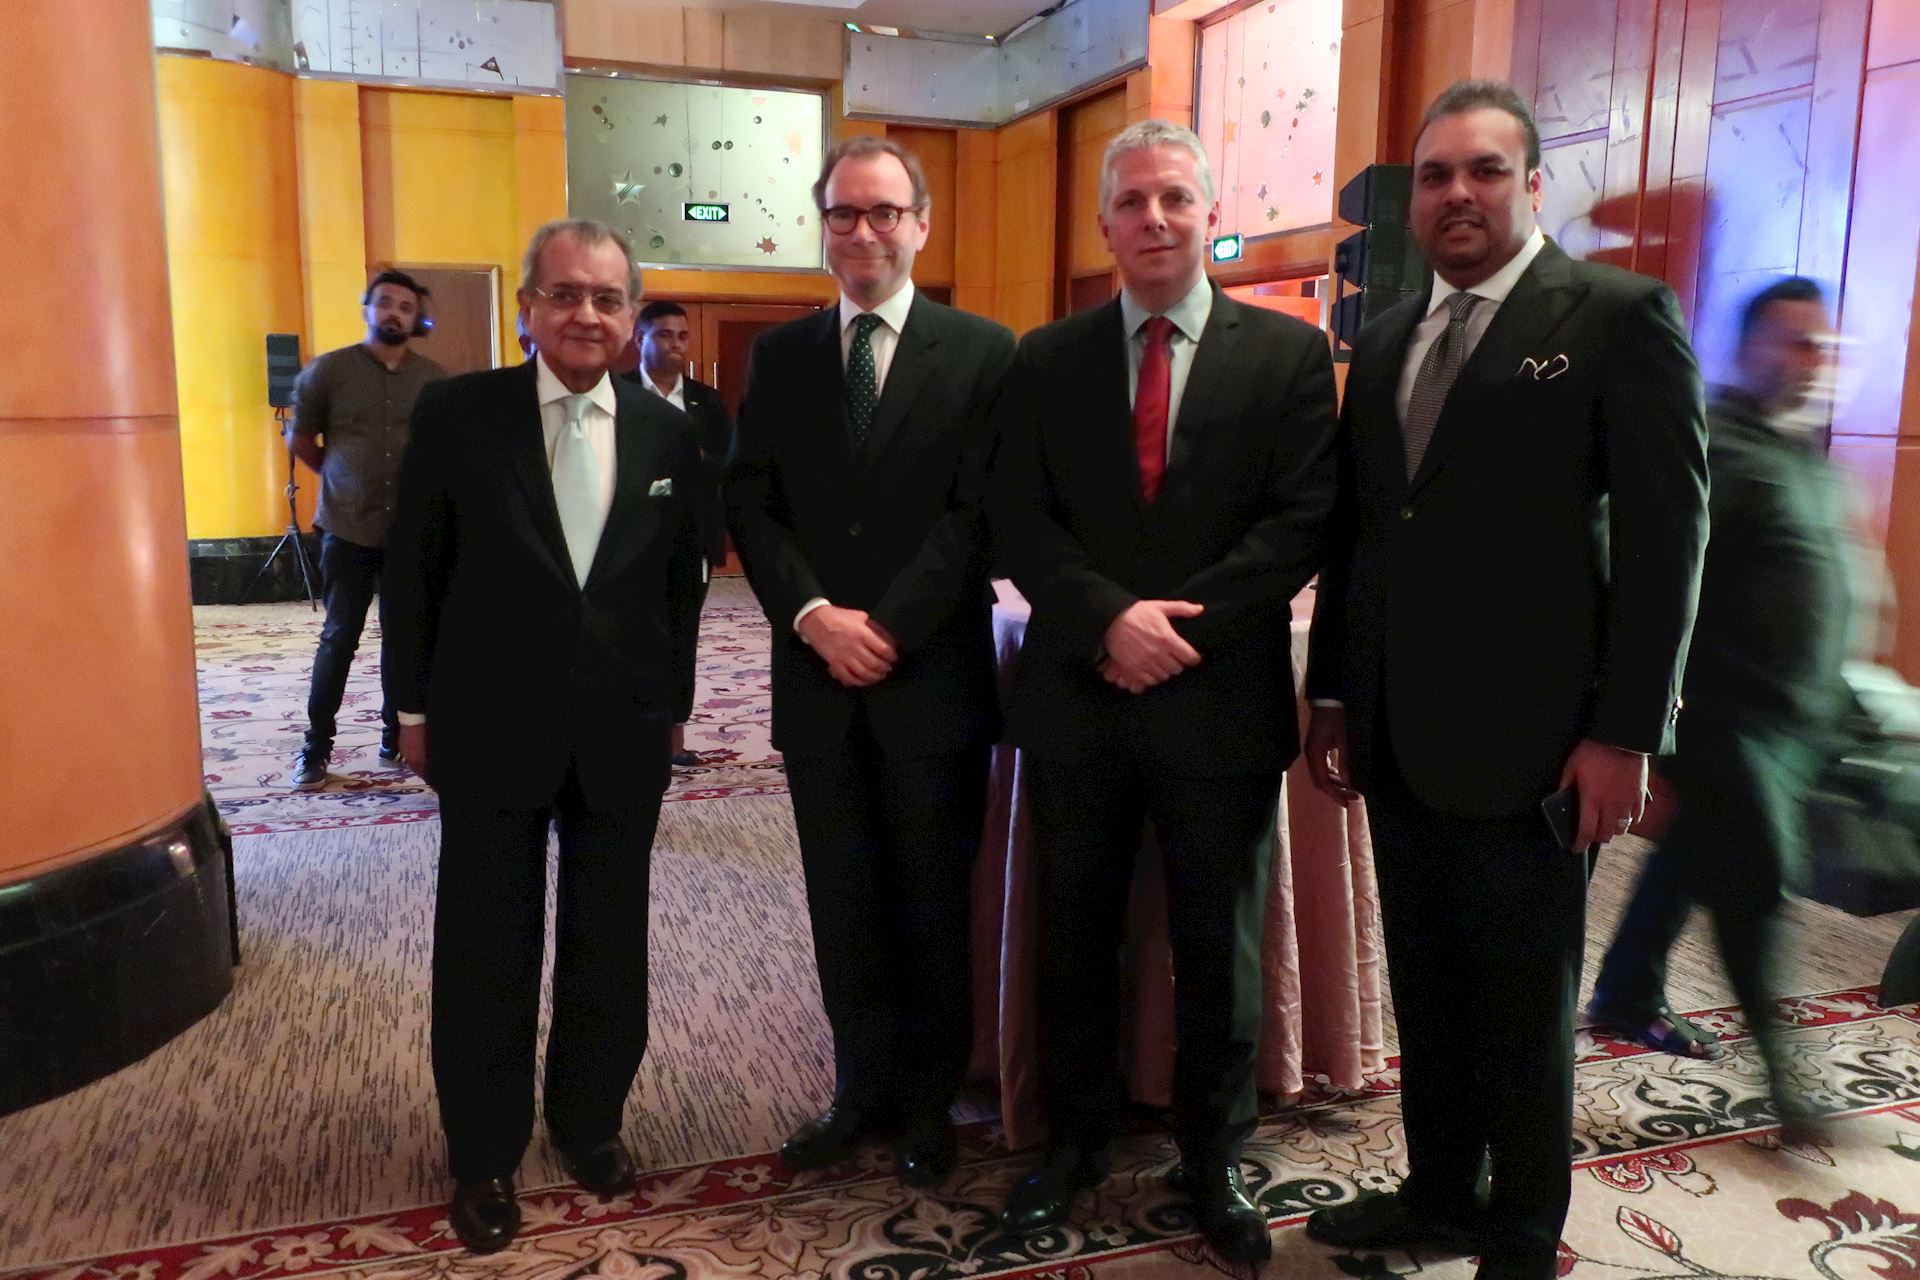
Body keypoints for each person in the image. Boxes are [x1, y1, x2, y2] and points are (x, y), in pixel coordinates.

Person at [1301, 80, 1708, 1280]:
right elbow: (1362, 537)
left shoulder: (1619, 315)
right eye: (1436, 176)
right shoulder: (1382, 342)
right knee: (1426, 986)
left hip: (1543, 738)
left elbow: (1667, 543)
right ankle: (1438, 1189)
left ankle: (1525, 1226)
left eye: (1485, 171)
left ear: (1534, 186)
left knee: (1524, 1000)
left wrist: (1628, 733)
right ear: (1414, 200)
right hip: (1395, 727)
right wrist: (1331, 694)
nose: (1458, 194)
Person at [989, 119, 1337, 1265]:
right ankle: (1073, 1141)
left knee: (1215, 941)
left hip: (1217, 698)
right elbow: (1019, 515)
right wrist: (1107, 621)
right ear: (1104, 223)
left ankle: (1212, 1149)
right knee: (1075, 930)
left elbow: (1299, 522)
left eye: (1175, 199)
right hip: (1083, 696)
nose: (1153, 218)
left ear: (1208, 216)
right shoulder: (1046, 358)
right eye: (1132, 201)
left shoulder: (1285, 358)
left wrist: (1172, 629)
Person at [383, 220, 706, 1254]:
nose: (586, 315)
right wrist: (412, 710)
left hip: (622, 726)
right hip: (487, 720)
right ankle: (482, 1150)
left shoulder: (667, 433)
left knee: (611, 938)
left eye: (607, 299)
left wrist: (676, 709)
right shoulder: (458, 413)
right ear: (526, 309)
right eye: (564, 295)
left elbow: (678, 588)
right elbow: (411, 573)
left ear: (629, 314)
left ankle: (589, 1119)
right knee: (487, 940)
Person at [726, 135, 1015, 1187]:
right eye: (844, 214)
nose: (864, 231)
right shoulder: (784, 354)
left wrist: (884, 626)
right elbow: (748, 498)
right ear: (824, 227)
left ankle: (928, 1104)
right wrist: (813, 615)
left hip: (929, 674)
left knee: (932, 900)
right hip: (816, 681)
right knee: (841, 900)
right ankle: (858, 1091)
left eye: (884, 213)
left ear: (920, 225)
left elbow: (980, 513)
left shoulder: (985, 352)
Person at [1589, 277, 1851, 1129]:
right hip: (1727, 722)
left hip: (1789, 722)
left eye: (1823, 345)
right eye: (1794, 342)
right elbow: (1663, 573)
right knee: (1755, 897)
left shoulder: (1796, 450)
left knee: (1689, 864)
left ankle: (1628, 992)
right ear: (1750, 347)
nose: (1812, 360)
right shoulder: (1723, 447)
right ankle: (1788, 1084)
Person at [286, 270, 445, 789]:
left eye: (404, 305)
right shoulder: (327, 372)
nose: (394, 312)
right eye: (385, 303)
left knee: (406, 641)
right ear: (367, 308)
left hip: (409, 534)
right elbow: (303, 440)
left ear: (414, 316)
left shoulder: (433, 379)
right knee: (339, 638)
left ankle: (393, 736)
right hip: (347, 528)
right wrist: (339, 477)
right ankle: (315, 749)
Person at [622, 299, 734, 765]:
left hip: (690, 542)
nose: (675, 345)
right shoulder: (616, 392)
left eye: (682, 336)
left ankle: (673, 741)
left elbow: (727, 463)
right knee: (626, 638)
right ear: (640, 338)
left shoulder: (705, 402)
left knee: (681, 639)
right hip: (625, 546)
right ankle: (624, 732)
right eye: (664, 334)